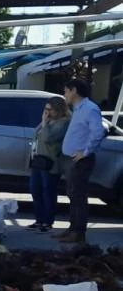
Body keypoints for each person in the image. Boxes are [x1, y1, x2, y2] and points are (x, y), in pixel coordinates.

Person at [54, 79, 106, 243]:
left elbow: (98, 132)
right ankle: (72, 229)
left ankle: (78, 232)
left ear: (74, 90)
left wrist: (85, 152)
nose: (65, 95)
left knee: (78, 196)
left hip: (81, 161)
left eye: (66, 91)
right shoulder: (78, 109)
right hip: (71, 159)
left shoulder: (90, 109)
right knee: (72, 194)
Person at [27, 97, 70, 233]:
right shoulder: (47, 121)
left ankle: (48, 220)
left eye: (49, 109)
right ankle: (39, 219)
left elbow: (47, 138)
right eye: (45, 109)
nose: (46, 112)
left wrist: (45, 123)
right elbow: (36, 135)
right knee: (35, 189)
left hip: (51, 162)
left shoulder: (63, 123)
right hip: (38, 160)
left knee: (48, 191)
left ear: (58, 110)